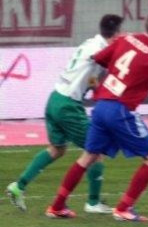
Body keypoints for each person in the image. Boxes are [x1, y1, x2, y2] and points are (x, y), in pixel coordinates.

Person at [45, 11, 148, 222]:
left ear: (145, 24)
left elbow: (99, 58)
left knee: (88, 156)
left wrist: (119, 70)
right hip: (121, 111)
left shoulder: (125, 39)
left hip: (101, 106)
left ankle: (57, 206)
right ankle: (124, 208)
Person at [6, 15, 124, 214]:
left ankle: (19, 186)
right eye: (120, 32)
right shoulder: (100, 49)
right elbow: (103, 61)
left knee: (57, 149)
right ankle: (93, 202)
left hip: (55, 98)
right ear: (116, 34)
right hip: (68, 105)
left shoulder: (91, 43)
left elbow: (90, 74)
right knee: (96, 150)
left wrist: (95, 88)